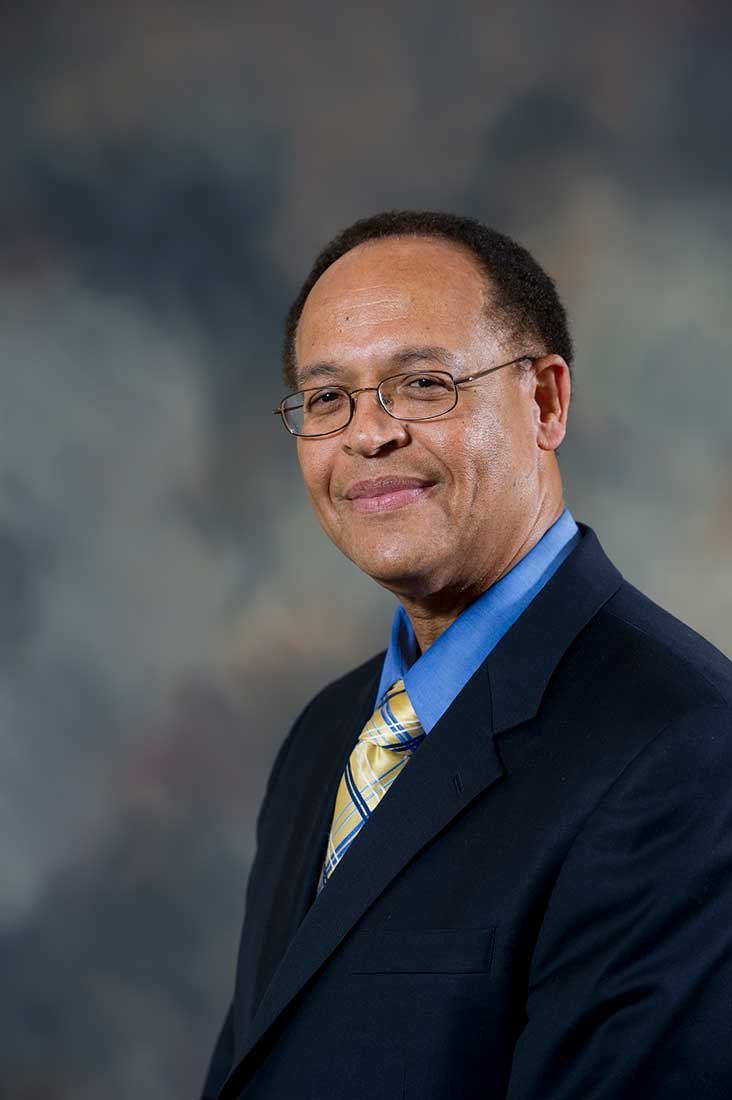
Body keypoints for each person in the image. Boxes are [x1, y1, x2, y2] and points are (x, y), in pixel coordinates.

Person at [200, 211, 732, 1100]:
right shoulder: (328, 733)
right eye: (328, 397)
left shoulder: (685, 755)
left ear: (547, 402)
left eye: (423, 384)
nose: (368, 435)